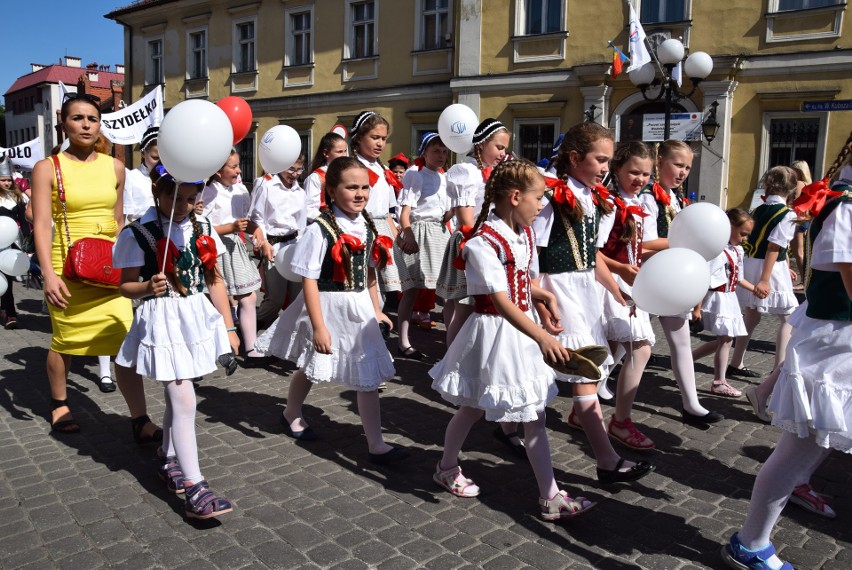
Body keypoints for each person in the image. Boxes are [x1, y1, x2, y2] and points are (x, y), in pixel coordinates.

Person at [430, 159, 595, 520]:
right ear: (516, 196)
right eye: (538, 198)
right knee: (474, 407)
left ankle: (549, 494)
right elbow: (501, 300)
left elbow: (521, 285)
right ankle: (446, 466)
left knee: (532, 413)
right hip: (495, 334)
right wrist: (540, 336)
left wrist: (544, 298)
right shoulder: (482, 243)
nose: (542, 206)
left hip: (520, 331)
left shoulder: (524, 233)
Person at [720, 182, 851, 570]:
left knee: (821, 439)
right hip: (833, 344)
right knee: (796, 450)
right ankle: (750, 543)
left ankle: (791, 491)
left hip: (840, 343)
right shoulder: (847, 208)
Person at [255, 157, 407, 465]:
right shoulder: (319, 230)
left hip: (359, 306)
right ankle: (291, 412)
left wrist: (377, 309)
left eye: (365, 187)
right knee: (311, 365)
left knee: (367, 376)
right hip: (326, 305)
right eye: (352, 187)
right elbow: (309, 279)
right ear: (332, 191)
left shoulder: (366, 223)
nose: (360, 193)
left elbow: (369, 271)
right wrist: (319, 326)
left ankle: (376, 443)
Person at [30, 92, 160, 441]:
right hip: (66, 265)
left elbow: (118, 221)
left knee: (123, 340)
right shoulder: (47, 168)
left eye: (92, 118)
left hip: (108, 264)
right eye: (78, 118)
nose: (86, 125)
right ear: (63, 122)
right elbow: (41, 224)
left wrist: (129, 267)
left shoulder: (114, 166)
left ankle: (139, 417)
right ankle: (60, 403)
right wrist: (48, 274)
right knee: (66, 339)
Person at [113, 164, 237, 519]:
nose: (183, 205)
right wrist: (146, 287)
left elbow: (214, 280)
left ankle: (169, 458)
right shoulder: (139, 233)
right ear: (157, 191)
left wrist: (228, 330)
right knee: (183, 396)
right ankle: (196, 488)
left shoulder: (203, 225)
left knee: (180, 393)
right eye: (174, 197)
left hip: (195, 317)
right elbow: (124, 285)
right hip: (162, 318)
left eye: (190, 197)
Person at [638, 139, 723, 425]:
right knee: (625, 339)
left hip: (673, 278)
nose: (683, 171)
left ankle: (691, 403)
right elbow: (643, 242)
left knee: (681, 341)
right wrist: (683, 241)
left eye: (687, 167)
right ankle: (593, 388)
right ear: (659, 160)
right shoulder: (647, 197)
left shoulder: (678, 200)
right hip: (646, 276)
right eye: (677, 164)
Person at [592, 140, 660, 455]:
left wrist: (679, 242)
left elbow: (640, 245)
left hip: (629, 279)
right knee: (641, 347)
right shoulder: (608, 204)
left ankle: (582, 409)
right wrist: (621, 269)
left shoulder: (637, 203)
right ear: (617, 168)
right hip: (609, 281)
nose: (640, 178)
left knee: (615, 346)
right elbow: (592, 252)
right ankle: (620, 421)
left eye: (645, 174)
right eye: (633, 171)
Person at [728, 167, 799, 414]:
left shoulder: (758, 209)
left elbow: (778, 247)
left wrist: (785, 266)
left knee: (752, 314)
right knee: (790, 317)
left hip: (753, 264)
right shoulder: (788, 213)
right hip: (769, 268)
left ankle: (736, 362)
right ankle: (778, 369)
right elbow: (774, 246)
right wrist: (766, 279)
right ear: (791, 188)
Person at [437, 118, 510, 344]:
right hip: (471, 240)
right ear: (481, 144)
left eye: (505, 148)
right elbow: (466, 218)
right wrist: (480, 241)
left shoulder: (489, 172)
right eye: (499, 147)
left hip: (485, 240)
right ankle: (452, 361)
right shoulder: (467, 171)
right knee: (465, 306)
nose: (503, 153)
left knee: (475, 306)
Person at [201, 150, 267, 365]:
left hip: (235, 247)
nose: (239, 170)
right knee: (216, 302)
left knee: (249, 297)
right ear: (218, 171)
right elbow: (202, 228)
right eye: (233, 167)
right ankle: (219, 347)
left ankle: (251, 347)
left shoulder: (239, 190)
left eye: (238, 165)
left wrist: (257, 233)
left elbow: (246, 221)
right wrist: (231, 227)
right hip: (215, 249)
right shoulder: (209, 192)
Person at [394, 133, 451, 359]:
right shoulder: (416, 176)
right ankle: (403, 341)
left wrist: (456, 208)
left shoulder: (446, 178)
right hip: (420, 232)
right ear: (424, 153)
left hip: (439, 232)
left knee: (448, 292)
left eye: (445, 151)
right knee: (412, 290)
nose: (441, 155)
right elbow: (405, 213)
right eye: (436, 150)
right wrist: (409, 237)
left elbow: (444, 214)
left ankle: (451, 342)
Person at [691, 208, 757, 398]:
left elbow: (738, 278)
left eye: (747, 235)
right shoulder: (716, 251)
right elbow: (704, 278)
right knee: (726, 339)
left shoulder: (737, 249)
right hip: (716, 298)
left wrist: (755, 289)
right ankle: (719, 382)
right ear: (728, 227)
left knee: (725, 339)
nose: (744, 239)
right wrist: (697, 307)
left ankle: (688, 359)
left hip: (729, 297)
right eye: (742, 234)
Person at [249, 155, 307, 328]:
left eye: (299, 169)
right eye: (291, 169)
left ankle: (288, 331)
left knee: (298, 296)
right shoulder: (266, 186)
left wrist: (303, 248)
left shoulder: (300, 192)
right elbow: (257, 219)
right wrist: (263, 243)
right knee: (275, 298)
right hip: (273, 246)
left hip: (294, 246)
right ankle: (253, 321)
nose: (295, 174)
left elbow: (302, 225)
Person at [350, 111, 402, 295]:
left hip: (383, 230)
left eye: (383, 138)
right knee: (363, 284)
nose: (380, 143)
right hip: (360, 228)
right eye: (374, 137)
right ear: (359, 138)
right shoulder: (352, 166)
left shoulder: (384, 170)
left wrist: (397, 238)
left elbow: (387, 212)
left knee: (381, 288)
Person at [0, 159, 28, 329]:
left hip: (10, 244)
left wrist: (27, 242)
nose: (7, 183)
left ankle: (11, 313)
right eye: (3, 180)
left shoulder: (17, 198)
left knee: (8, 280)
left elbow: (24, 223)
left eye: (9, 179)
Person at [304, 132, 348, 221]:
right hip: (325, 225)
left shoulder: (348, 173)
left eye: (345, 151)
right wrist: (329, 222)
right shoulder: (316, 177)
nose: (344, 155)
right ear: (326, 153)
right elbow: (309, 209)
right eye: (339, 152)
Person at [123, 126, 159, 223]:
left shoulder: (171, 178)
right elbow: (123, 216)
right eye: (155, 158)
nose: (160, 163)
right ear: (143, 153)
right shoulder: (131, 177)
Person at [788, 160, 812, 292]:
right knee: (799, 252)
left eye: (793, 169)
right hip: (804, 219)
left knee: (798, 252)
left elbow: (794, 202)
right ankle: (805, 280)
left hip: (797, 219)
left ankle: (804, 281)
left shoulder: (798, 184)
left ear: (799, 171)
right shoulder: (807, 184)